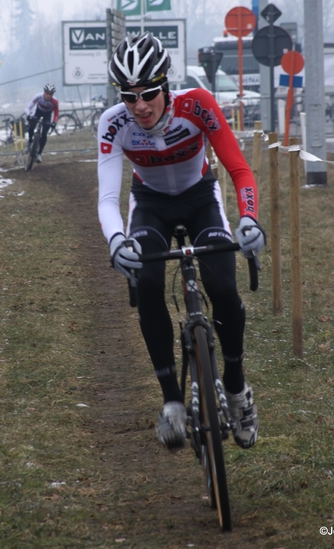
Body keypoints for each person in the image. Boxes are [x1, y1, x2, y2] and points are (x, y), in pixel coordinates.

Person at [97, 33, 266, 451]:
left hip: (200, 199)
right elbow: (105, 197)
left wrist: (249, 220)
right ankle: (172, 400)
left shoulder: (198, 105)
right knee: (148, 282)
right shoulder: (113, 123)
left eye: (149, 93)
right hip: (150, 204)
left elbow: (240, 171)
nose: (140, 105)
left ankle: (237, 388)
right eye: (129, 96)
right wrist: (117, 240)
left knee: (223, 286)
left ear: (166, 86)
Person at [25, 83, 59, 163]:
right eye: (47, 93)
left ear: (52, 94)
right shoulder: (38, 96)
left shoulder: (54, 101)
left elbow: (56, 113)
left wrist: (54, 122)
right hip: (38, 111)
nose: (48, 96)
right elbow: (28, 107)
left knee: (44, 134)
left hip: (48, 114)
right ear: (44, 92)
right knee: (31, 126)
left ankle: (39, 153)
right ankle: (30, 142)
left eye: (50, 94)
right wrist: (28, 115)